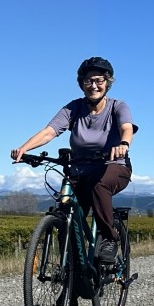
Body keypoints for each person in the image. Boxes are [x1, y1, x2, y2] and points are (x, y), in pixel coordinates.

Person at [11, 56, 137, 263]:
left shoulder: (118, 107)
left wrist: (123, 145)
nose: (94, 85)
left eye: (99, 80)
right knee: (65, 210)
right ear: (81, 84)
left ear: (107, 82)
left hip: (113, 165)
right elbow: (49, 132)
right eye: (88, 81)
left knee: (100, 187)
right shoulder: (74, 108)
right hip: (80, 168)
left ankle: (109, 238)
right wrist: (24, 148)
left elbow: (126, 128)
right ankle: (70, 271)